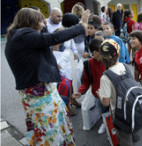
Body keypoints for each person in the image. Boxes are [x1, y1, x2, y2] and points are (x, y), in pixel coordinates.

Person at [5, 8, 90, 145]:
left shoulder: (19, 35)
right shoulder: (24, 35)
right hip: (38, 93)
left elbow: (44, 40)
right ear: (31, 22)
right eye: (40, 21)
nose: (44, 24)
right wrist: (81, 25)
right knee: (48, 126)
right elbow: (53, 38)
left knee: (50, 122)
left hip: (38, 91)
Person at [97, 39, 141, 146]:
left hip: (120, 113)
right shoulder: (124, 66)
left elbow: (106, 102)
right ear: (118, 54)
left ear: (102, 58)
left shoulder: (105, 77)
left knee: (124, 136)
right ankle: (135, 138)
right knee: (133, 126)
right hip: (131, 106)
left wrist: (100, 95)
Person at [72, 38, 108, 135]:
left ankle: (111, 124)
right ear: (95, 53)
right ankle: (105, 124)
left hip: (110, 93)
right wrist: (80, 92)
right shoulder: (88, 64)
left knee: (113, 111)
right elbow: (86, 82)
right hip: (97, 94)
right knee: (102, 111)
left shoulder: (109, 60)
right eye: (102, 51)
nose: (105, 53)